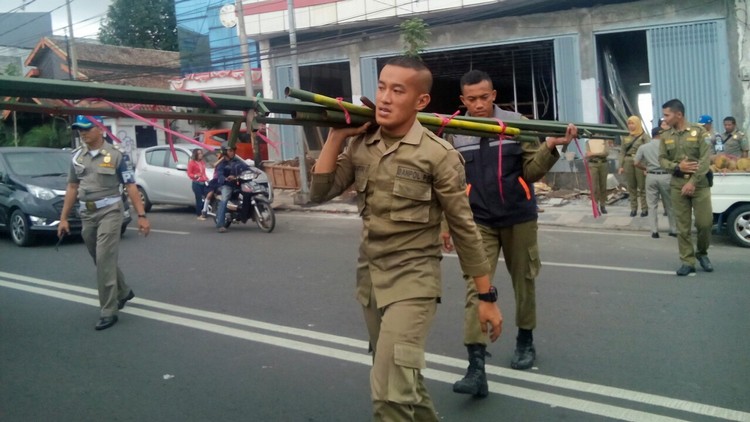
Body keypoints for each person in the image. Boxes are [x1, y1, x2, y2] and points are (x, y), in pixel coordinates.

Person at [310, 57, 502, 421]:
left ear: (421, 102)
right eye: (382, 87)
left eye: (397, 91)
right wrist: (336, 136)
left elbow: (464, 230)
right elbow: (321, 191)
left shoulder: (439, 155)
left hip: (413, 283)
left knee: (390, 398)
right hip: (370, 282)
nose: (384, 98)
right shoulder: (363, 145)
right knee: (405, 386)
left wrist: (486, 297)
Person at [443, 70, 577, 397]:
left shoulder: (516, 124)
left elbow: (530, 171)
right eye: (471, 99)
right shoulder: (454, 132)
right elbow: (450, 184)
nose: (478, 104)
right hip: (479, 220)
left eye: (484, 97)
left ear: (493, 95)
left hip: (518, 216)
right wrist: (446, 224)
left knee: (524, 280)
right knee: (477, 287)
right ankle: (476, 366)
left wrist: (549, 146)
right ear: (462, 100)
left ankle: (525, 341)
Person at [58, 115, 151, 330]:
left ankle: (108, 309)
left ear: (100, 129)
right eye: (79, 129)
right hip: (87, 214)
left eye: (86, 128)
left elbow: (130, 186)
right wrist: (63, 218)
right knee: (100, 259)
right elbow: (72, 187)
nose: (82, 133)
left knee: (104, 258)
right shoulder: (77, 157)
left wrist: (142, 216)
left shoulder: (117, 155)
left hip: (110, 210)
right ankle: (123, 291)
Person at [658, 99, 713, 276]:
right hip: (677, 185)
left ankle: (702, 253)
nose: (664, 118)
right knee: (683, 226)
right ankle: (687, 260)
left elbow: (705, 160)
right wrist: (676, 167)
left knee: (705, 224)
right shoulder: (665, 136)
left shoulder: (699, 132)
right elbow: (661, 160)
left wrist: (692, 182)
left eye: (667, 115)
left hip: (699, 185)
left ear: (678, 115)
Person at [634, 127, 677, 238]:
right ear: (660, 134)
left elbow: (636, 163)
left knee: (652, 205)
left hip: (651, 176)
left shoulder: (643, 147)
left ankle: (654, 231)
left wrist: (645, 168)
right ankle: (673, 229)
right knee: (670, 204)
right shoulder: (667, 146)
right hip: (665, 175)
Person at [618, 116, 649, 217]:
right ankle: (633, 209)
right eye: (629, 124)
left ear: (638, 124)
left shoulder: (644, 136)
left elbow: (649, 151)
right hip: (628, 162)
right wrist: (620, 166)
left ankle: (644, 209)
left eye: (633, 123)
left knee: (642, 187)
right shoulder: (626, 137)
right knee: (631, 187)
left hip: (640, 162)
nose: (631, 126)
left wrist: (647, 167)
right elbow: (622, 152)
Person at [214, 146, 249, 233]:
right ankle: (220, 224)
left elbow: (246, 167)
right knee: (224, 200)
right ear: (225, 152)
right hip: (227, 185)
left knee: (249, 194)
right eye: (229, 151)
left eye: (232, 151)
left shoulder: (237, 161)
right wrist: (225, 178)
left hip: (239, 184)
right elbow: (220, 174)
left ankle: (245, 215)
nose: (231, 152)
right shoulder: (222, 163)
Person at [585, 138, 610, 214]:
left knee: (603, 185)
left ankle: (603, 205)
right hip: (593, 164)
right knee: (594, 187)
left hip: (603, 163)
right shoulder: (588, 142)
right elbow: (588, 154)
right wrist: (598, 153)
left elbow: (606, 153)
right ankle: (596, 206)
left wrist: (593, 154)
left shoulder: (604, 141)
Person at [187, 148, 209, 220]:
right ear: (196, 155)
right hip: (196, 183)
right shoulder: (192, 163)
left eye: (201, 153)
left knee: (207, 196)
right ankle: (199, 215)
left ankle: (205, 211)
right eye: (199, 154)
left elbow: (203, 172)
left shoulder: (202, 162)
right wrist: (195, 176)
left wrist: (206, 178)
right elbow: (189, 173)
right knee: (199, 198)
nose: (200, 155)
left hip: (203, 182)